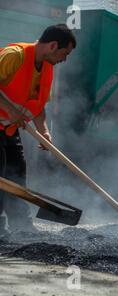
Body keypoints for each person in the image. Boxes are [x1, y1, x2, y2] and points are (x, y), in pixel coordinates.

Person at [0, 24, 76, 236]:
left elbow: (38, 104)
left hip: (8, 128)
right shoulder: (14, 56)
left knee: (16, 176)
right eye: (64, 53)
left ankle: (21, 226)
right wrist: (9, 110)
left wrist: (43, 130)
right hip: (5, 122)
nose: (65, 59)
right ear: (52, 45)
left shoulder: (47, 67)